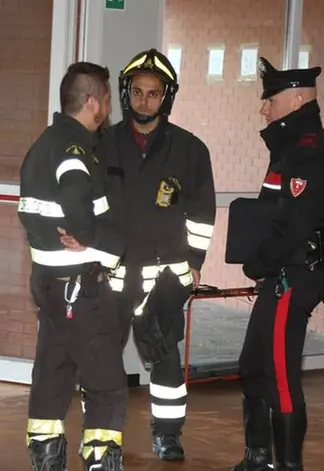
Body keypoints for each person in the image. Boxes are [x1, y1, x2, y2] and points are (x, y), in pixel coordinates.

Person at [68, 48, 216, 461]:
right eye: (137, 91)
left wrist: (195, 264)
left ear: (166, 96)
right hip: (109, 273)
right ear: (125, 93)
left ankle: (167, 434)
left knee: (166, 362)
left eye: (154, 93)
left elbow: (202, 214)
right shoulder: (102, 144)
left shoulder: (190, 149)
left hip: (162, 279)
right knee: (100, 360)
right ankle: (98, 433)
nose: (144, 100)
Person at [227, 57, 324, 471]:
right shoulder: (294, 147)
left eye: (270, 99)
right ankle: (258, 457)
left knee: (280, 376)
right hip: (279, 273)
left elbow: (295, 227)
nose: (264, 108)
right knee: (253, 366)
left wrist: (256, 262)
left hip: (291, 275)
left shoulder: (307, 153)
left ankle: (287, 466)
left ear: (297, 98)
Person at [17, 61, 127, 471]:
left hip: (49, 281)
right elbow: (78, 210)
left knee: (53, 371)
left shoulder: (46, 142)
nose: (109, 110)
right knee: (105, 381)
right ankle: (101, 460)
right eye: (108, 100)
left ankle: (46, 460)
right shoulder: (74, 148)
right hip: (79, 284)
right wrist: (103, 241)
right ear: (94, 102)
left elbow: (33, 212)